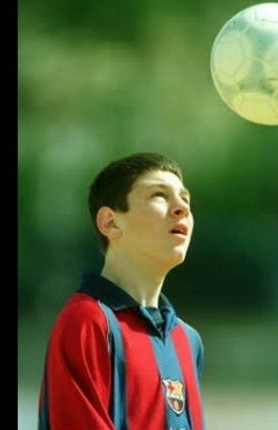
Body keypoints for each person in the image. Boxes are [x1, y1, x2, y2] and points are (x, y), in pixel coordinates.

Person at [38, 153, 205, 430]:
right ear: (110, 223)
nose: (181, 208)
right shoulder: (87, 322)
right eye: (159, 195)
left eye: (185, 199)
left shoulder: (187, 339)